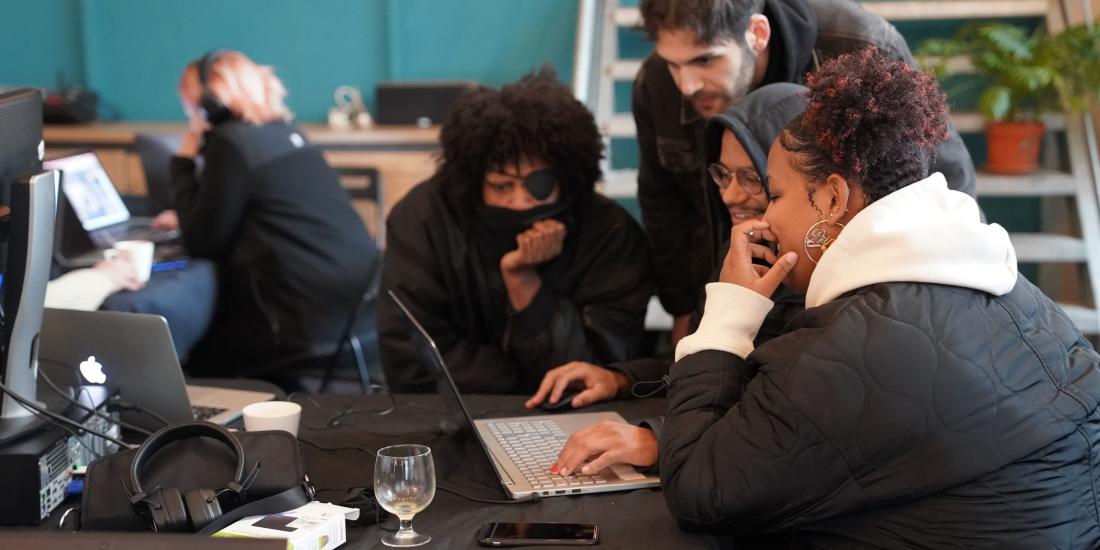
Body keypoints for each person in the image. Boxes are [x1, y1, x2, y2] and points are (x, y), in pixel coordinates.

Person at [655, 48, 1097, 546]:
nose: (767, 220)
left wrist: (727, 316)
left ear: (833, 200)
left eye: (775, 196)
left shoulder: (840, 353)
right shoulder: (1022, 295)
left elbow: (697, 490)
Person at [633, 0, 977, 344]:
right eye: (673, 65)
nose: (687, 85)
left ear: (757, 32)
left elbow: (940, 177)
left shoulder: (857, 43)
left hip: (867, 297)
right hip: (725, 283)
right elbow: (661, 198)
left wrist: (919, 301)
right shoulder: (656, 81)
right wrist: (683, 311)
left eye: (705, 59)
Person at [539, 83, 809, 471]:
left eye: (752, 177)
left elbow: (782, 416)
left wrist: (658, 438)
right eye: (722, 175)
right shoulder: (741, 249)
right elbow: (713, 364)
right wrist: (622, 378)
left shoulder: (816, 279)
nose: (730, 195)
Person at [378, 69, 652, 394]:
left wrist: (525, 285)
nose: (519, 202)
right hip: (447, 417)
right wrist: (522, 378)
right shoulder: (424, 220)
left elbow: (594, 374)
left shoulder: (610, 236)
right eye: (501, 185)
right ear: (475, 181)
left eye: (538, 185)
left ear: (566, 178)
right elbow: (411, 358)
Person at [170, 50, 378, 378]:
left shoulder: (230, 143)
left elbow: (203, 241)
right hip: (356, 315)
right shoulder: (286, 132)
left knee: (192, 357)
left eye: (188, 98)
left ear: (209, 101)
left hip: (296, 328)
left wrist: (182, 160)